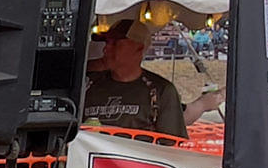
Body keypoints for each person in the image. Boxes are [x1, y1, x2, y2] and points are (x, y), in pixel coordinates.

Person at [82, 18, 218, 138]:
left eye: (115, 44)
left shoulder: (161, 91)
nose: (106, 49)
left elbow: (171, 148)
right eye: (107, 43)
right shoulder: (88, 86)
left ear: (139, 48)